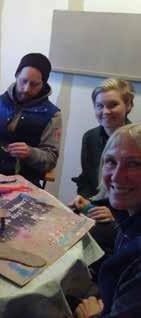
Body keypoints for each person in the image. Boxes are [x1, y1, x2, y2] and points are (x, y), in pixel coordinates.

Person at [73, 123, 141, 317]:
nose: (117, 176)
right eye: (111, 161)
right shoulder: (128, 220)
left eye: (134, 164)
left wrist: (92, 315)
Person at [70, 79, 135, 275]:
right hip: (93, 208)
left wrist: (114, 215)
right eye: (100, 106)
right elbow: (87, 179)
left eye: (113, 104)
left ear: (129, 105)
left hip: (124, 217)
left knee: (86, 239)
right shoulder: (89, 137)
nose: (105, 111)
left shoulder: (136, 142)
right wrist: (83, 198)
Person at [0, 53, 61, 186]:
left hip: (25, 185)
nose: (26, 89)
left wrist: (31, 153)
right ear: (16, 75)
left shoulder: (52, 115)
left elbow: (50, 160)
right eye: (23, 81)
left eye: (34, 84)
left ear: (43, 84)